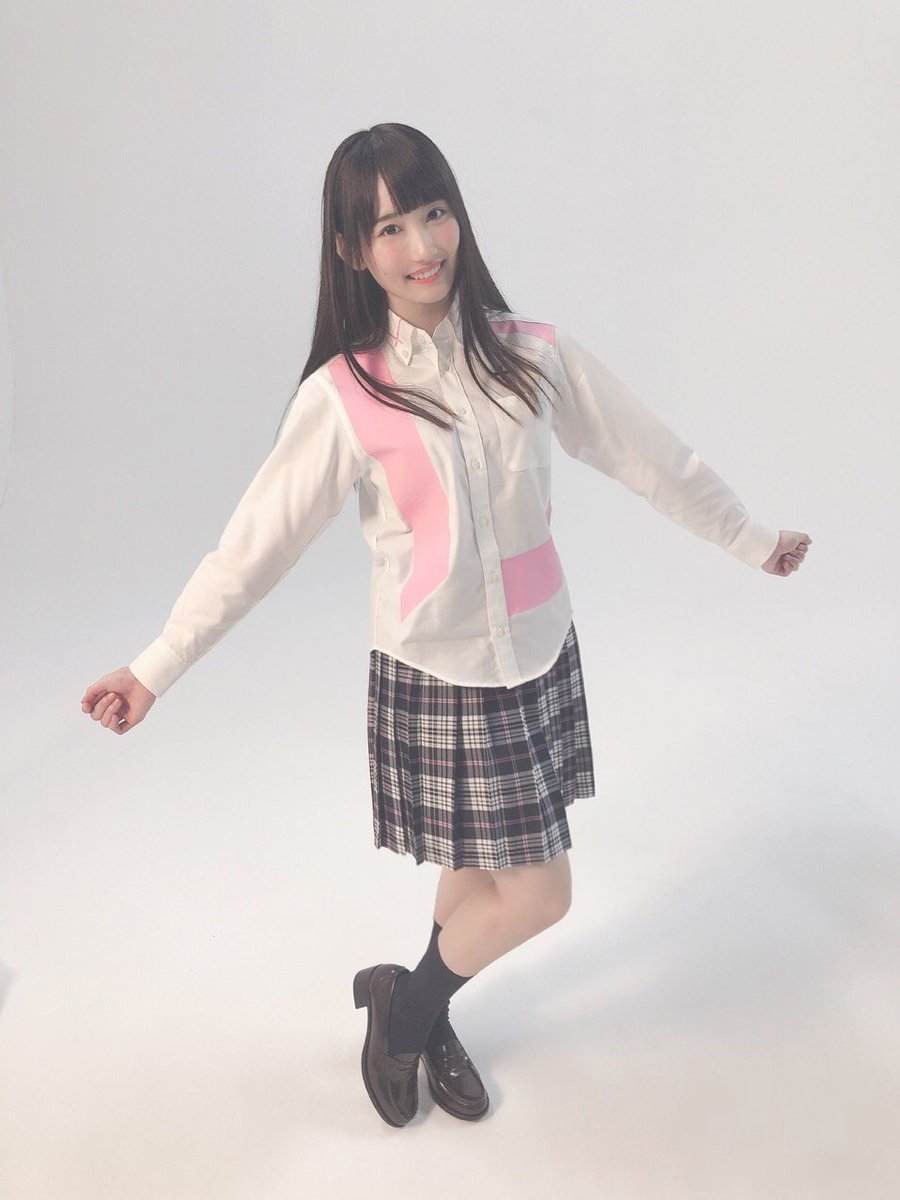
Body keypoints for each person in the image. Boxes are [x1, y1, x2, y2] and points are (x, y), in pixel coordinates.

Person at [80, 122, 812, 1128]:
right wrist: (153, 667)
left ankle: (418, 1008)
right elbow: (252, 550)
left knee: (479, 871)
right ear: (352, 250)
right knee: (540, 893)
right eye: (389, 228)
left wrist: (750, 538)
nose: (422, 246)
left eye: (433, 213)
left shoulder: (533, 355)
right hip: (437, 670)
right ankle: (411, 1010)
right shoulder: (344, 395)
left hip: (537, 654)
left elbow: (653, 457)